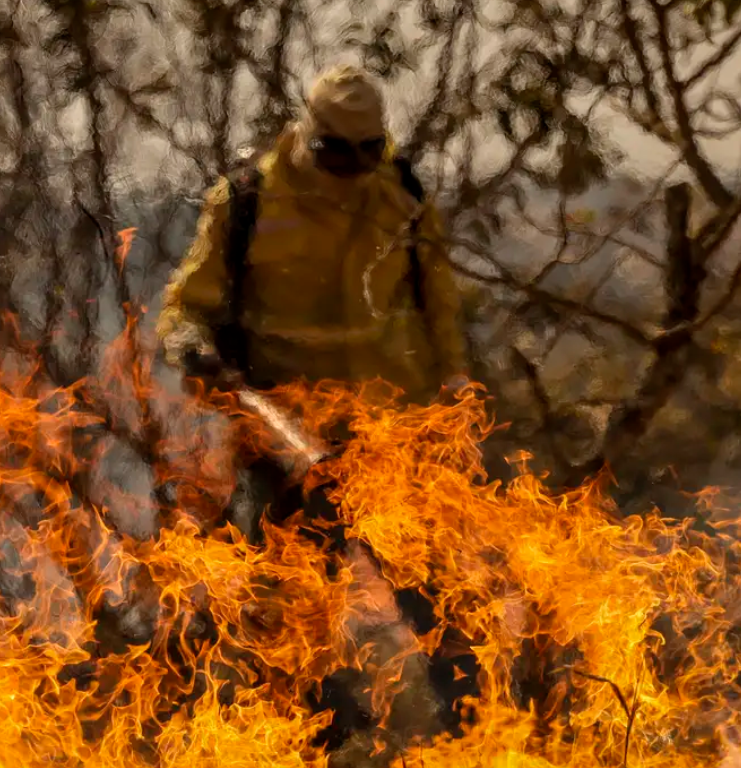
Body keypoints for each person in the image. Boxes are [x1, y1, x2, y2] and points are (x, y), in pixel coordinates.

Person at [155, 63, 470, 765]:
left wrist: (455, 393)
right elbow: (184, 308)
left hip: (386, 428)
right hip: (282, 435)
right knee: (295, 603)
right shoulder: (248, 199)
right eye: (338, 152)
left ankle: (472, 737)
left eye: (367, 151)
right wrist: (194, 349)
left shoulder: (403, 196)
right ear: (309, 135)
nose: (353, 167)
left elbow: (440, 305)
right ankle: (320, 742)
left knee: (432, 595)